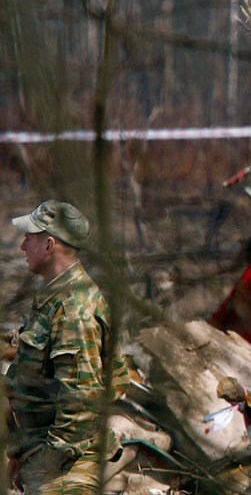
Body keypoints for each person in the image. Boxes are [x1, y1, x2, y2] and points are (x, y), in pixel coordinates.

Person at [5, 200, 129, 495]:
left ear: (49, 245)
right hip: (48, 453)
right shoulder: (57, 296)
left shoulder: (73, 309)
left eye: (29, 238)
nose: (23, 246)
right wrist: (25, 453)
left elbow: (80, 403)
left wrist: (44, 464)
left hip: (66, 470)